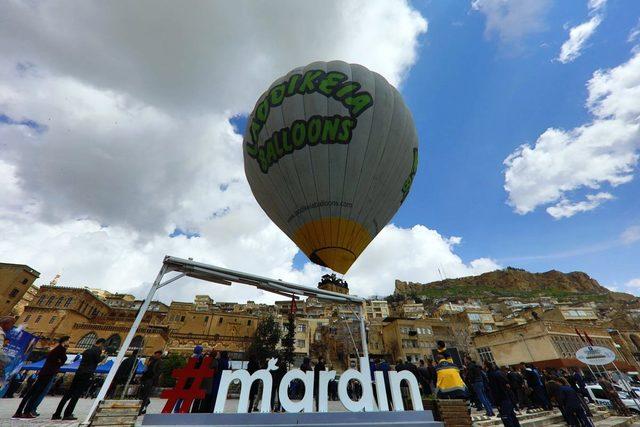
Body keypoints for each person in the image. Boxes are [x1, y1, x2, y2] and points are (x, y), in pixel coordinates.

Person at [14, 336, 69, 419]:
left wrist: (60, 361)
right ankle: (27, 412)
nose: (69, 342)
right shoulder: (60, 350)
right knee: (36, 393)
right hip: (48, 374)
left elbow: (59, 361)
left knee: (31, 393)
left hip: (44, 373)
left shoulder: (56, 349)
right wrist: (60, 361)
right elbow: (60, 361)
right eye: (68, 341)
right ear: (64, 341)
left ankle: (20, 411)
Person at [53, 337, 106, 420]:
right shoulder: (97, 350)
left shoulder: (87, 350)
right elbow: (97, 360)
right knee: (76, 395)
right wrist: (103, 357)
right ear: (101, 344)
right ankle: (68, 414)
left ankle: (57, 414)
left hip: (79, 372)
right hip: (86, 374)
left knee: (68, 393)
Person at [485, 362, 520, 427]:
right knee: (512, 416)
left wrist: (497, 403)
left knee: (506, 418)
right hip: (507, 398)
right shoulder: (500, 373)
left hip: (502, 399)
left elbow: (495, 390)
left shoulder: (492, 375)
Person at [139, 350, 163, 415]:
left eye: (157, 354)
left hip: (150, 380)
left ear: (160, 355)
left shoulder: (160, 362)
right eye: (155, 354)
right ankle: (146, 403)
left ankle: (140, 410)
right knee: (142, 394)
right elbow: (146, 368)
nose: (156, 355)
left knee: (145, 395)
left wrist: (153, 379)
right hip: (145, 378)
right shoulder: (151, 360)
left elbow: (159, 372)